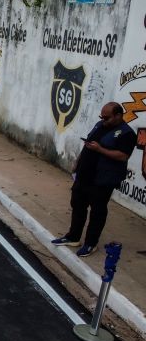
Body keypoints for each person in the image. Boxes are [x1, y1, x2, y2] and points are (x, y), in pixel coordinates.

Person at [51, 102, 136, 257]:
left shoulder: (127, 133)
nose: (104, 120)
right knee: (77, 205)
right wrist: (77, 162)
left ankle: (91, 243)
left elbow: (123, 156)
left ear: (118, 115)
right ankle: (73, 237)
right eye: (102, 117)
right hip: (84, 175)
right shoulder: (99, 125)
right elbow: (88, 143)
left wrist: (100, 149)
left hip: (103, 179)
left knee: (97, 211)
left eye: (107, 118)